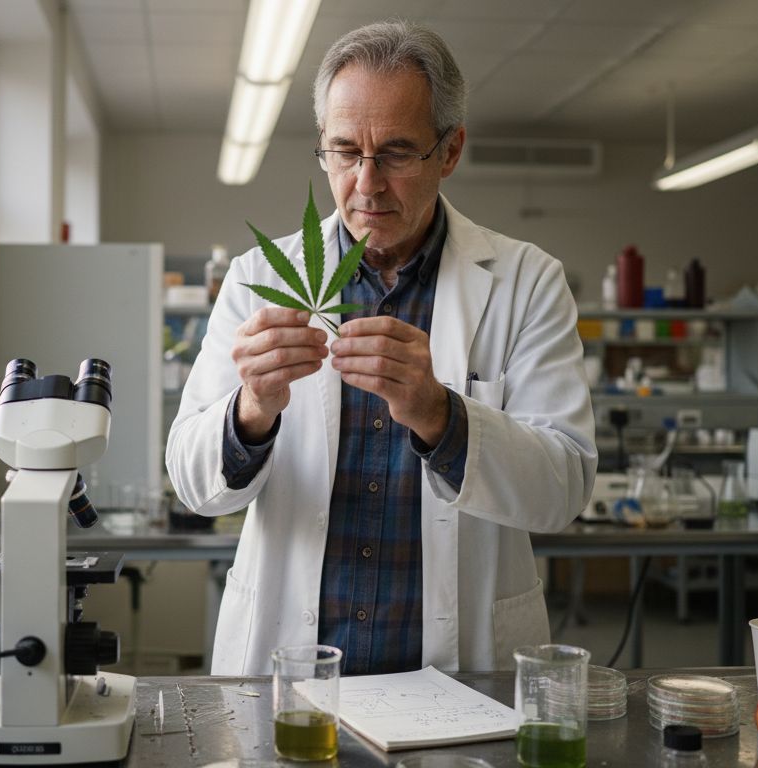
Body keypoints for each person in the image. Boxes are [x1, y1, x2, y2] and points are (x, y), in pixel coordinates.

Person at [166, 21, 596, 676]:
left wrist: (441, 415)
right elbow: (193, 483)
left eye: (395, 153)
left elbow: (563, 487)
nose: (366, 183)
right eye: (344, 151)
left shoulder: (526, 281)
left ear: (449, 151)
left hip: (460, 673)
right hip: (293, 670)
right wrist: (252, 410)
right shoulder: (261, 282)